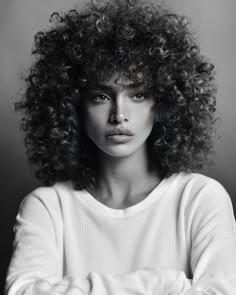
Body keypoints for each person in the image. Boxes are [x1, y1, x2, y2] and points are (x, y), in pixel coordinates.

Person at [5, 0, 236, 294]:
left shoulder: (200, 199)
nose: (119, 115)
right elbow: (23, 290)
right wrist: (169, 283)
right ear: (72, 106)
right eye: (101, 96)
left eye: (138, 94)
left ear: (163, 103)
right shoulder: (48, 207)